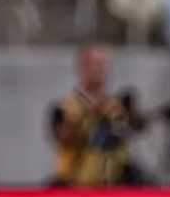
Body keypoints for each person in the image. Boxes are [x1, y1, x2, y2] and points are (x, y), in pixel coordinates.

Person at [47, 45, 151, 187]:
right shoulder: (66, 107)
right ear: (82, 69)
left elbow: (139, 126)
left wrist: (129, 111)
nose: (99, 70)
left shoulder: (116, 107)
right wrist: (83, 116)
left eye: (103, 65)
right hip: (77, 185)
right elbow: (62, 138)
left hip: (117, 185)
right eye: (94, 64)